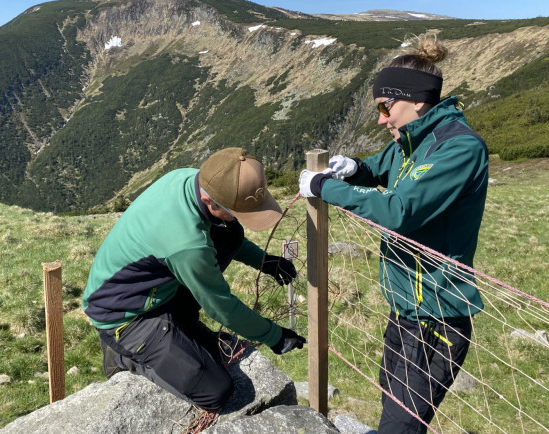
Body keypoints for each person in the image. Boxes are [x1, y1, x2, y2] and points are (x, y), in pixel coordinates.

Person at [299, 35, 488, 433]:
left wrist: (324, 188)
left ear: (417, 100)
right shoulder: (411, 141)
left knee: (401, 425)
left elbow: (397, 211)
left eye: (386, 107)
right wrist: (352, 168)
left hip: (436, 314)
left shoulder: (457, 148)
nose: (382, 119)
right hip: (407, 308)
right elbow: (379, 168)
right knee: (391, 398)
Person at [83, 147, 306, 412]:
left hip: (149, 287)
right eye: (238, 211)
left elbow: (225, 238)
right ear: (210, 201)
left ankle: (180, 323)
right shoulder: (187, 245)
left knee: (230, 231)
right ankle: (123, 354)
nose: (241, 217)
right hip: (124, 314)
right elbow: (220, 306)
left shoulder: (190, 178)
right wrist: (275, 336)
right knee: (215, 391)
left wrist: (263, 260)